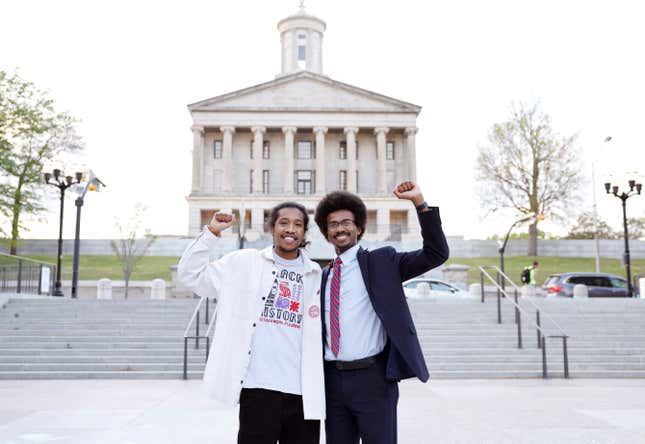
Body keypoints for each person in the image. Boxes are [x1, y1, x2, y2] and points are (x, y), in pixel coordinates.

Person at [314, 180, 449, 444]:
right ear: (326, 232)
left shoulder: (382, 262)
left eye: (346, 222)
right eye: (332, 224)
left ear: (359, 227)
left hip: (372, 380)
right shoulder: (323, 276)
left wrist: (420, 203)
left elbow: (436, 253)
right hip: (331, 381)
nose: (340, 228)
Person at [177, 202, 324, 444]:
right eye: (284, 222)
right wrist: (211, 233)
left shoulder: (316, 274)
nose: (291, 229)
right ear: (271, 227)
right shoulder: (243, 263)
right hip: (258, 388)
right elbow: (191, 276)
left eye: (298, 224)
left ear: (304, 232)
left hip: (303, 393)